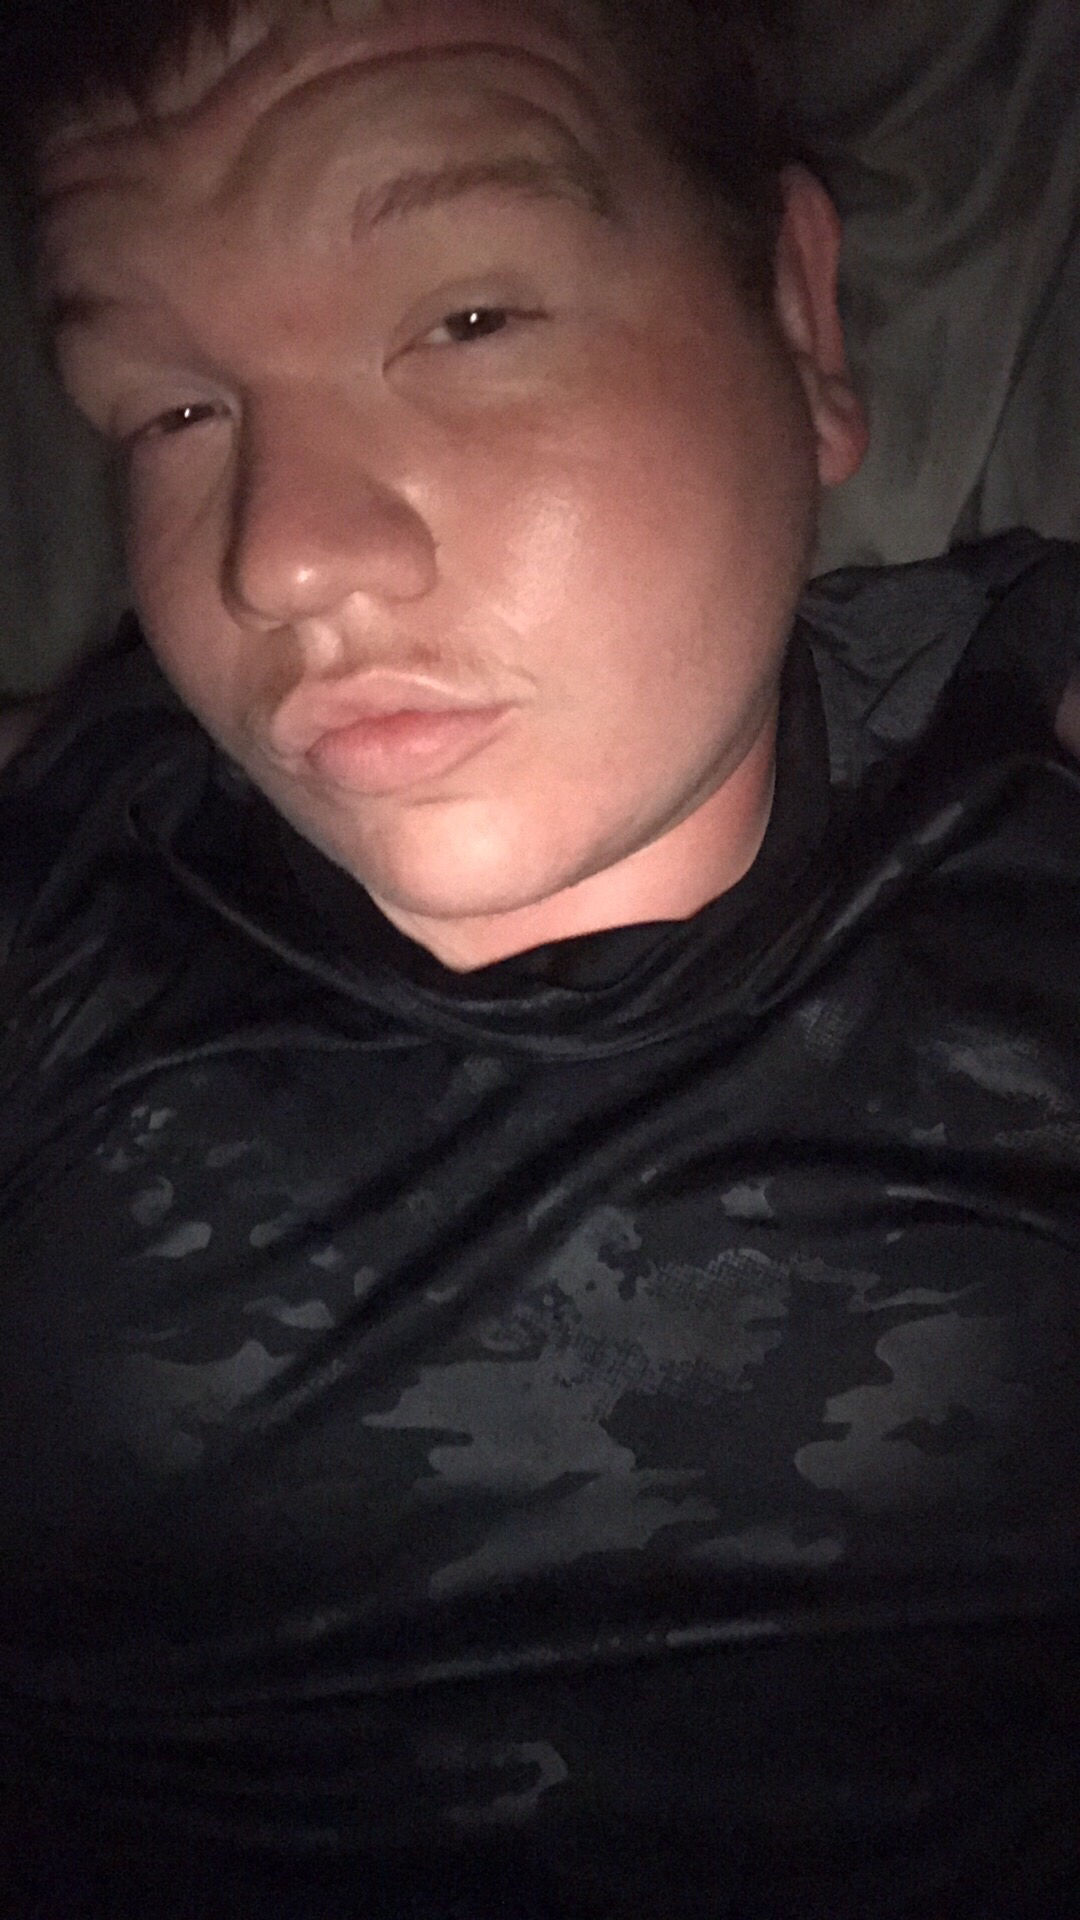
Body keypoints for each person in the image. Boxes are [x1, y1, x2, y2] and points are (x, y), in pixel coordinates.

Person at [0, 2, 1078, 1914]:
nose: (282, 558)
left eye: (468, 320)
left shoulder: (1025, 764)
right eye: (172, 411)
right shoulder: (63, 879)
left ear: (800, 320)